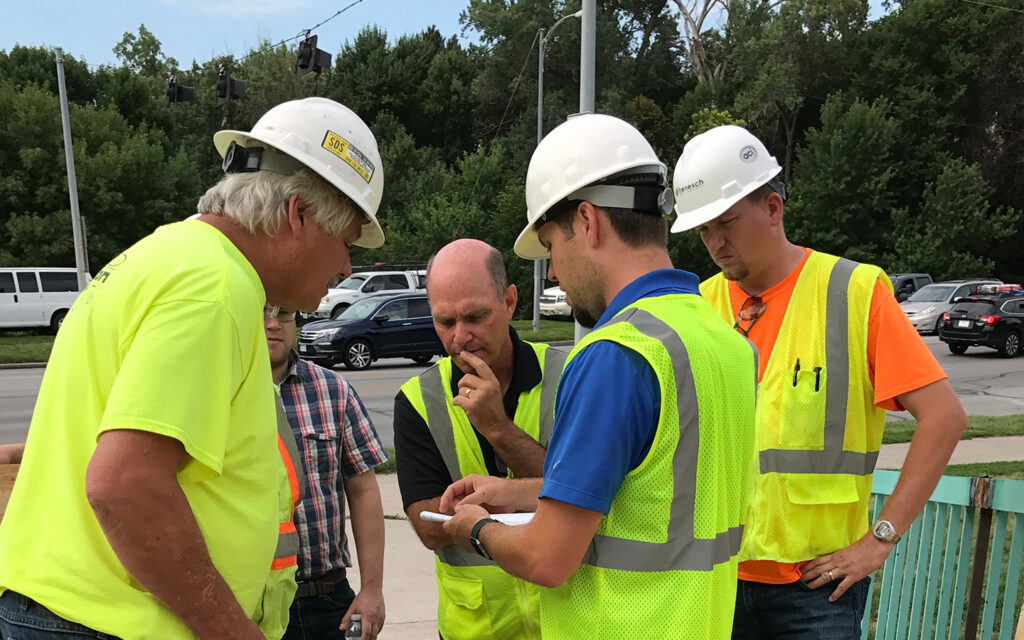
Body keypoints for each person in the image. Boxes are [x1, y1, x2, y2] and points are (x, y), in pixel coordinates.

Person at [0, 97, 386, 640]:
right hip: (113, 623)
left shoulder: (155, 258)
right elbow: (124, 483)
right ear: (298, 214)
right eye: (346, 242)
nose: (346, 266)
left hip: (66, 607)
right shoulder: (212, 286)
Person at [439, 114, 758, 639]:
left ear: (587, 222)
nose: (556, 273)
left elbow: (547, 558)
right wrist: (517, 492)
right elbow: (651, 498)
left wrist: (476, 529)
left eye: (550, 248)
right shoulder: (723, 340)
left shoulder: (615, 353)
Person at [671, 124, 967, 639]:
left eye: (726, 223)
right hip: (715, 579)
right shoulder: (702, 305)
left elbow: (944, 417)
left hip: (815, 591)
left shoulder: (852, 292)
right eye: (703, 231)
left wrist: (879, 540)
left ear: (772, 209)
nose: (715, 243)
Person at [393, 238, 566, 640]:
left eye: (475, 316)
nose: (460, 337)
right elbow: (428, 527)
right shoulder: (419, 400)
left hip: (563, 621)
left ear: (509, 302)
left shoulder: (567, 374)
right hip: (475, 628)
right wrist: (531, 496)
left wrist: (497, 427)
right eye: (445, 322)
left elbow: (588, 495)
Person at [264, 304, 388, 640]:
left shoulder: (333, 391)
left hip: (330, 600)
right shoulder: (221, 392)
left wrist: (372, 589)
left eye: (285, 313)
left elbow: (362, 490)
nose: (274, 324)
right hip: (255, 604)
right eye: (262, 312)